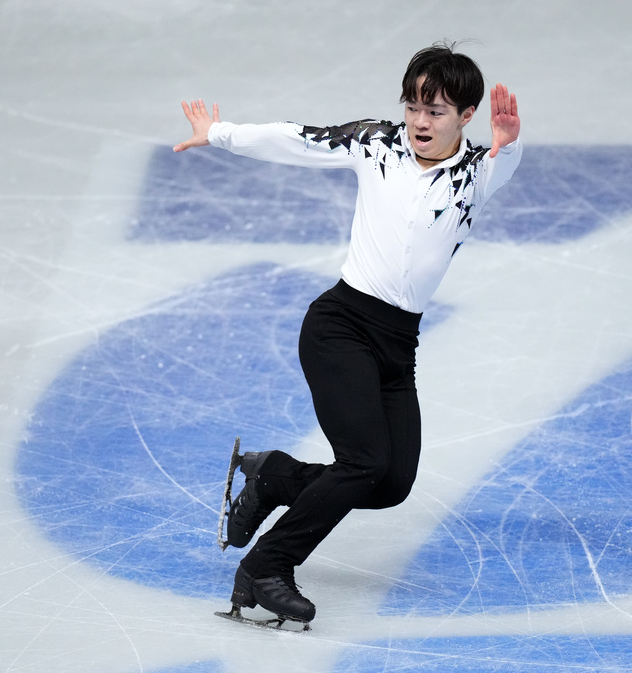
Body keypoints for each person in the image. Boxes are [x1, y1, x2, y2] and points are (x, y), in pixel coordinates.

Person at [173, 42, 522, 626]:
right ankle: (267, 566)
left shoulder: (475, 173)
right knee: (360, 461)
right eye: (412, 105)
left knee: (390, 483)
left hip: (397, 344)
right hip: (341, 327)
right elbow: (299, 138)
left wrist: (510, 143)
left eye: (435, 111)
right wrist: (220, 133)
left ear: (466, 117)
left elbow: (504, 161)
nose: (418, 121)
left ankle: (273, 477)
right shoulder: (378, 144)